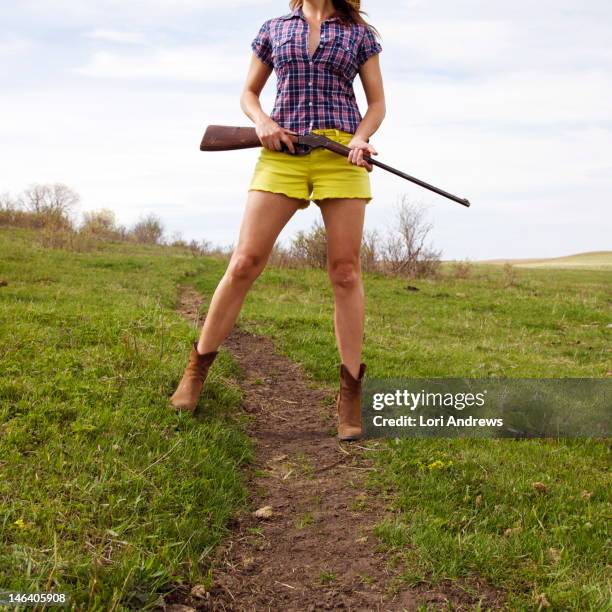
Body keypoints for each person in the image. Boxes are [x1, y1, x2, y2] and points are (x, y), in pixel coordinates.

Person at [170, 0, 385, 441]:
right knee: (245, 262)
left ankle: (349, 394)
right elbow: (249, 93)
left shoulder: (359, 33)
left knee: (345, 272)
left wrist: (362, 139)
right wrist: (263, 122)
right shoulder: (273, 28)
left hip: (339, 154)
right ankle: (196, 370)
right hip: (280, 155)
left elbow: (377, 104)